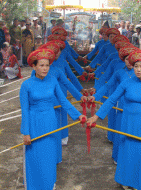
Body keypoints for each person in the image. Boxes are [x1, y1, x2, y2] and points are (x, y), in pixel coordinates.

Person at [87, 50, 141, 190]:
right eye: (136, 66)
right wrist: (95, 117)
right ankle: (125, 180)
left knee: (140, 153)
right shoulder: (126, 83)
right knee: (126, 150)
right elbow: (111, 100)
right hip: (127, 122)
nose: (138, 70)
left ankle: (139, 183)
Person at [20, 48, 86, 189]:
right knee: (35, 157)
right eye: (41, 65)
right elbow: (24, 110)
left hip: (50, 122)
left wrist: (78, 115)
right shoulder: (26, 85)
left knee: (49, 156)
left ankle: (49, 184)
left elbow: (64, 101)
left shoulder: (53, 81)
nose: (45, 68)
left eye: (47, 65)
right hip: (34, 123)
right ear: (34, 66)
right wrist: (26, 132)